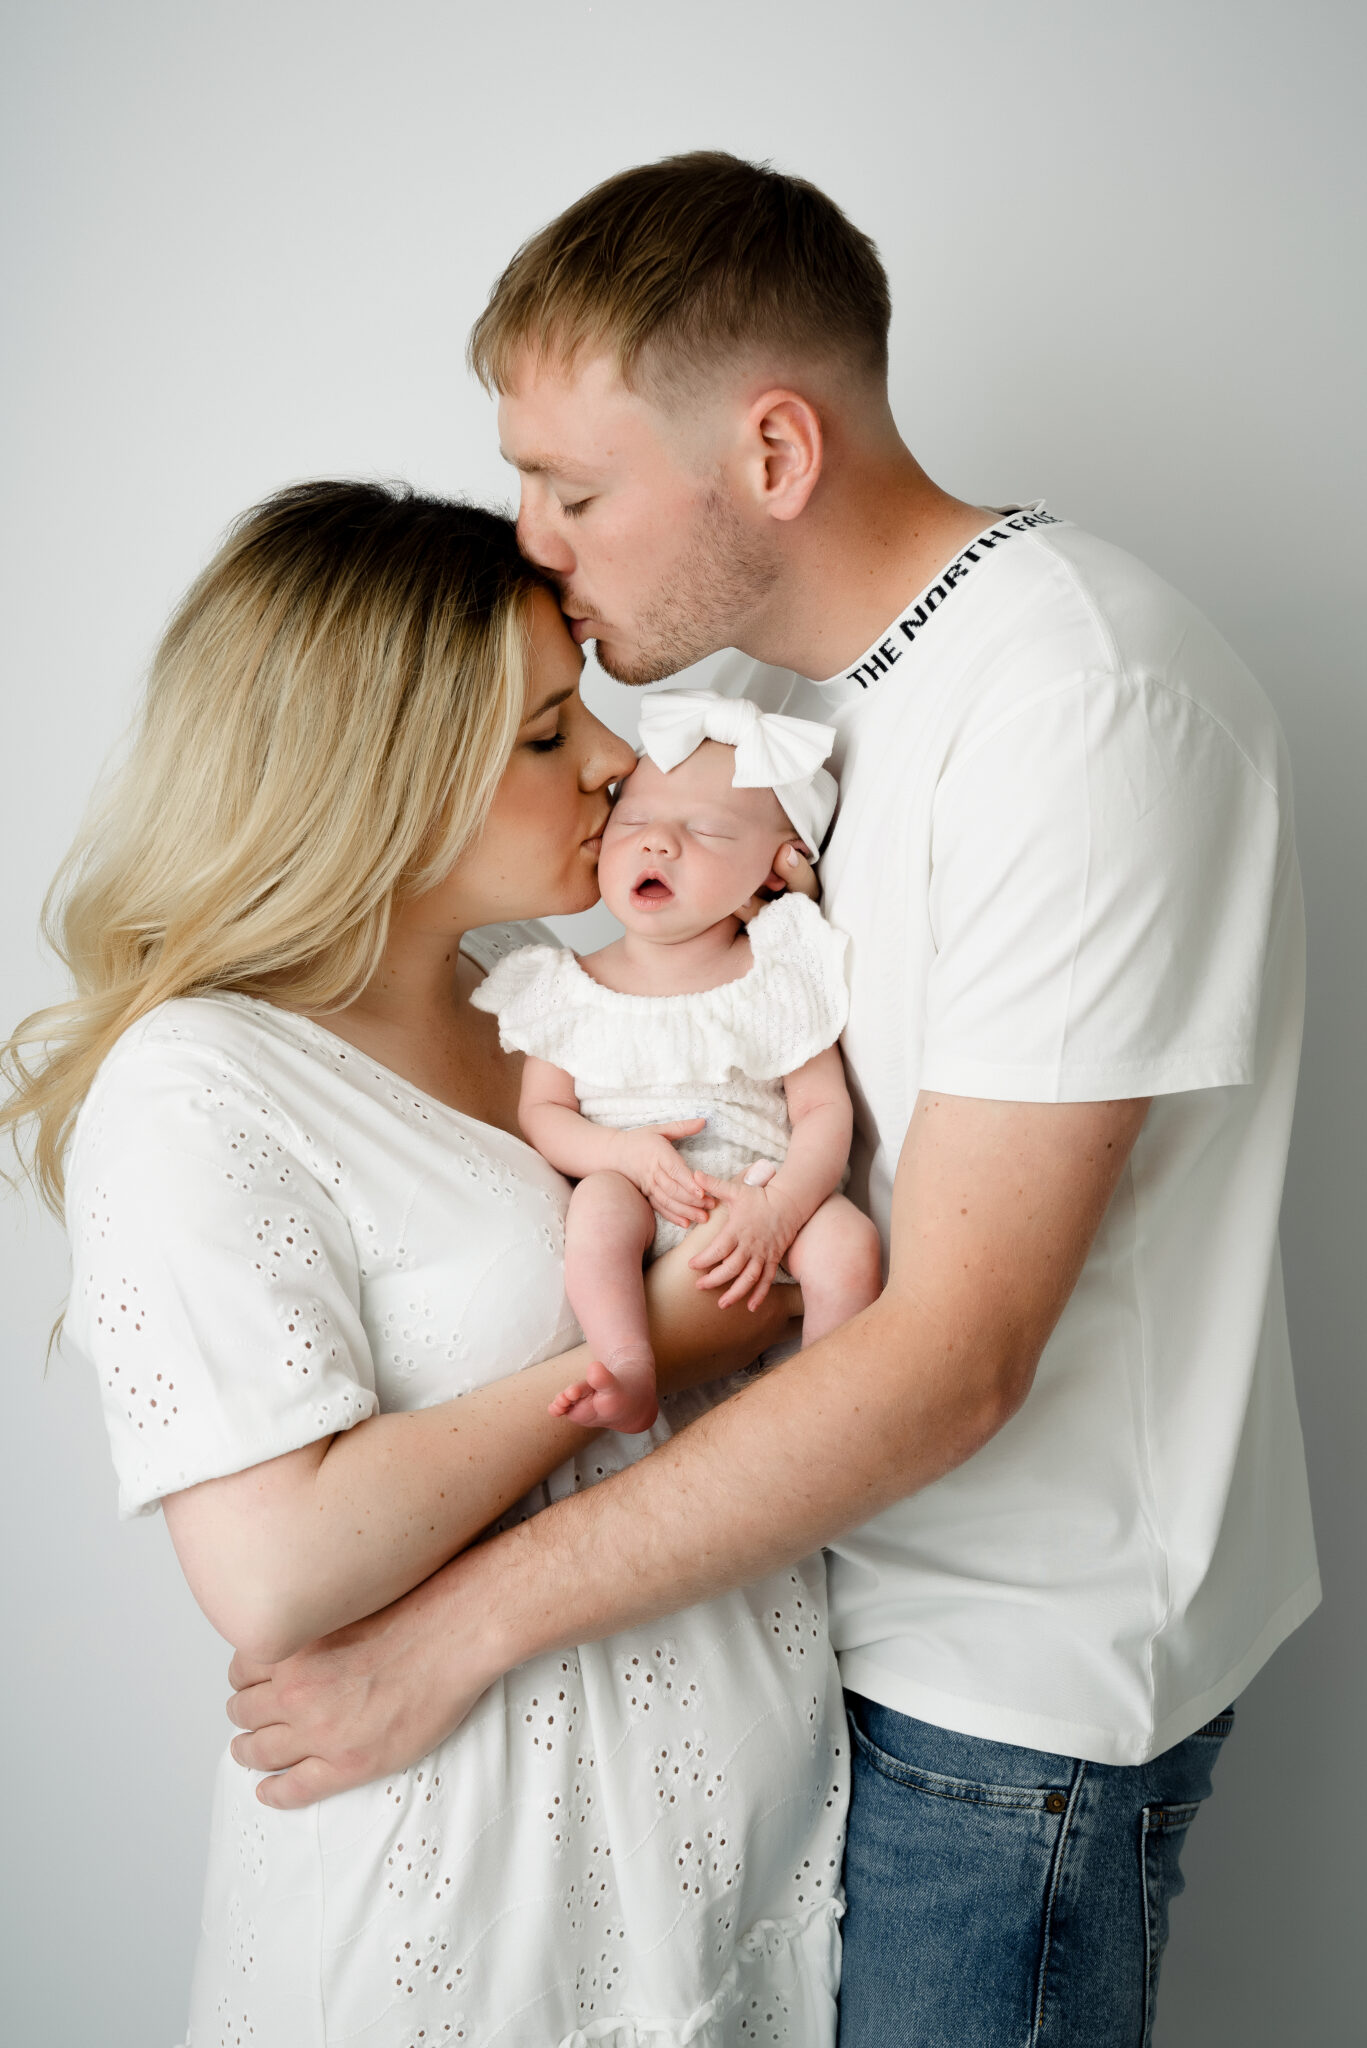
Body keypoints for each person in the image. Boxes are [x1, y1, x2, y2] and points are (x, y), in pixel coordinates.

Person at [223, 154, 1321, 2045]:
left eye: (572, 490)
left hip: (1002, 1706)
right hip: (805, 1625)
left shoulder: (1076, 702)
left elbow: (957, 1353)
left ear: (776, 452)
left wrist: (455, 1625)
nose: (535, 542)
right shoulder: (753, 714)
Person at [2, 481, 853, 2046]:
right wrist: (651, 1339)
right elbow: (274, 1571)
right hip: (464, 1908)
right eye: (546, 733)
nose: (614, 759)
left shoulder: (544, 1002)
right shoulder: (199, 1085)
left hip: (733, 1871)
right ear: (371, 772)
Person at [474, 690, 882, 1432]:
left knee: (849, 1242)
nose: (657, 843)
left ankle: (824, 1407)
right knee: (595, 1211)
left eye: (705, 832)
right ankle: (628, 1367)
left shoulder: (778, 975)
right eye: (633, 822)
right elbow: (544, 1113)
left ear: (770, 872)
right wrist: (620, 1153)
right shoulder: (564, 984)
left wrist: (781, 1208)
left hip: (761, 1197)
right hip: (640, 1195)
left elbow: (824, 1111)